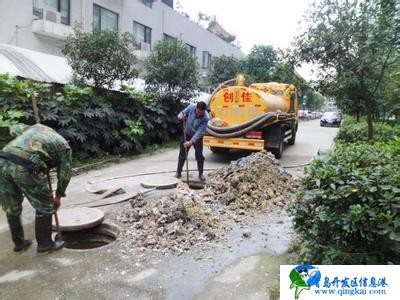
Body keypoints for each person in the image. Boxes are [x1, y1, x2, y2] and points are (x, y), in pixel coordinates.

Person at [0, 123, 74, 254]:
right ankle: (45, 245)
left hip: (3, 160)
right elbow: (64, 175)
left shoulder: (39, 128)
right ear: (67, 141)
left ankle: (19, 244)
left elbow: (14, 129)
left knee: (12, 207)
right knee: (44, 206)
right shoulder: (64, 146)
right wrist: (57, 197)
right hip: (25, 165)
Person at [175, 101, 210, 181]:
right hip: (186, 134)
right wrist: (181, 116)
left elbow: (200, 132)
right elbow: (181, 114)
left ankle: (200, 173)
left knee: (199, 155)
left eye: (201, 112)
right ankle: (178, 172)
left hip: (197, 137)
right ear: (196, 108)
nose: (199, 114)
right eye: (198, 112)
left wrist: (190, 142)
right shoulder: (191, 107)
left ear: (204, 111)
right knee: (182, 154)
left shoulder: (206, 118)